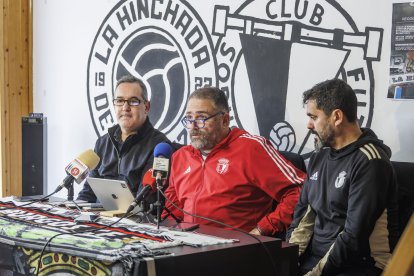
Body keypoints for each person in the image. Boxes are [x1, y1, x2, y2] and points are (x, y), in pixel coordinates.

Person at [286, 79, 399, 275]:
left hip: (360, 266)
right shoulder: (319, 157)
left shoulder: (371, 162)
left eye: (314, 117)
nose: (308, 124)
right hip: (317, 260)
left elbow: (353, 237)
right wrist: (286, 261)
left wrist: (314, 274)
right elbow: (304, 216)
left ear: (336, 116)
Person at [162, 87, 306, 236]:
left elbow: (301, 191)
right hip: (188, 246)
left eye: (201, 118)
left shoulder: (251, 149)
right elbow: (174, 210)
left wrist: (264, 228)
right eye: (189, 118)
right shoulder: (181, 156)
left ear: (224, 120)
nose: (193, 126)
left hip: (236, 249)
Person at [77, 75, 170, 203]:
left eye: (133, 101)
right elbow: (88, 193)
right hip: (97, 219)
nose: (125, 108)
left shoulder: (159, 146)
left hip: (133, 220)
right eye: (120, 101)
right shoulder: (103, 143)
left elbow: (145, 201)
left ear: (146, 107)